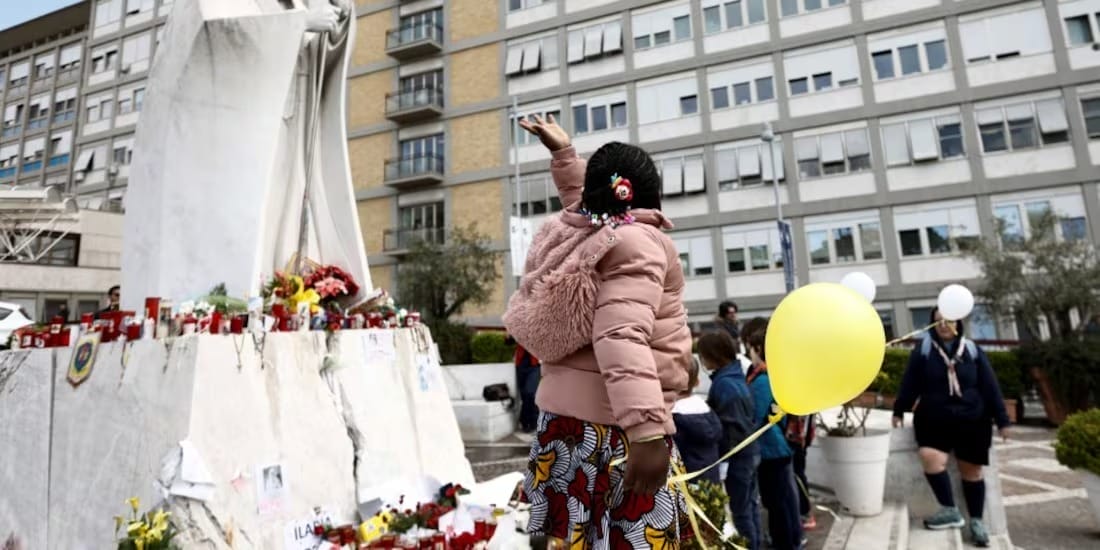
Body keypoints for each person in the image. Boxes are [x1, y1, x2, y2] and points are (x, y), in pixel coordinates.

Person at [504, 114, 694, 547]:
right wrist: (646, 430)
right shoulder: (640, 242)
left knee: (573, 540)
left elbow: (583, 203)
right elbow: (622, 336)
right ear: (648, 192)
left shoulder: (584, 230)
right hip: (616, 430)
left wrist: (564, 156)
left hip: (566, 427)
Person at [892, 307, 1011, 548]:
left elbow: (989, 386)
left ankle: (977, 521)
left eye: (948, 321)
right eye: (938, 322)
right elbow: (910, 382)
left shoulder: (972, 350)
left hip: (972, 418)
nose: (943, 325)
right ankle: (949, 509)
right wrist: (899, 409)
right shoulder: (924, 350)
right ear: (932, 325)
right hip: (934, 417)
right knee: (930, 458)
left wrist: (1002, 419)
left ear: (958, 323)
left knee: (972, 472)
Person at [699, 330, 761, 550]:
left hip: (738, 458)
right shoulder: (735, 376)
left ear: (713, 355)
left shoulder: (724, 385)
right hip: (750, 453)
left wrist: (723, 461)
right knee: (751, 507)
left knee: (742, 512)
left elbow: (730, 428)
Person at [744, 320, 804, 550]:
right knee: (786, 499)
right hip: (781, 446)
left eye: (750, 347)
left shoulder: (761, 380)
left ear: (758, 349)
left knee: (777, 503)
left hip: (771, 449)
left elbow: (755, 417)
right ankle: (792, 540)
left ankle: (784, 543)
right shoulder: (776, 374)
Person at [671, 358, 723, 485]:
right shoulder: (707, 411)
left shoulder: (675, 416)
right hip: (710, 480)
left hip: (686, 482)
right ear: (697, 382)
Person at [785, 413, 817, 530]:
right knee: (798, 474)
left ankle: (804, 513)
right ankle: (804, 512)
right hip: (800, 437)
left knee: (796, 476)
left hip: (796, 438)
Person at [506, 334, 542, 433]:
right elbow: (508, 342)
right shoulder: (518, 328)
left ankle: (529, 420)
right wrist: (510, 336)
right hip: (521, 365)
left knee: (530, 393)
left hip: (534, 365)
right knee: (524, 396)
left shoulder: (537, 328)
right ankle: (528, 422)